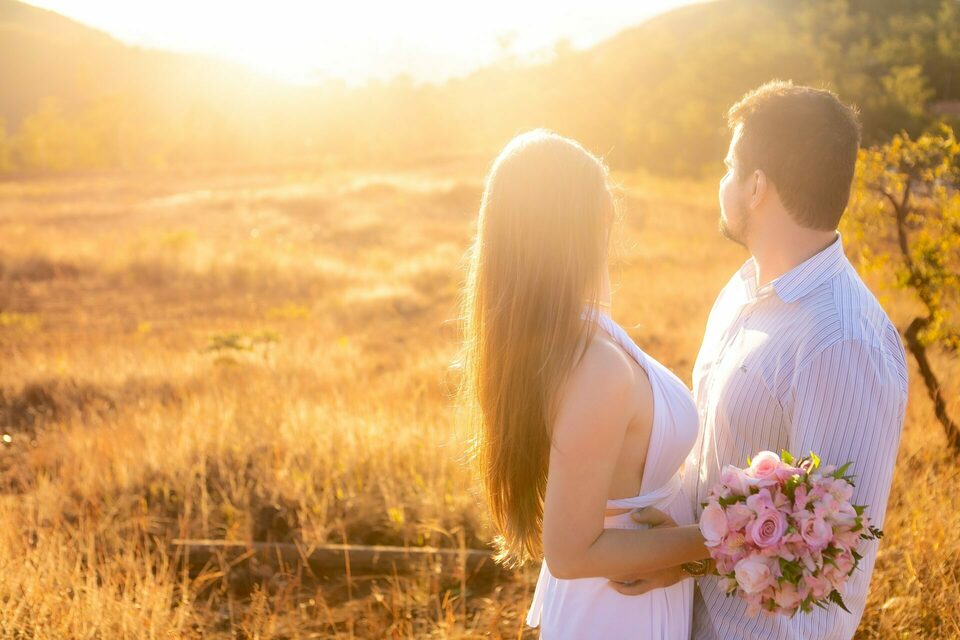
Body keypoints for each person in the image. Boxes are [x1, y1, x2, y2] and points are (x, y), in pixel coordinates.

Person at [612, 80, 909, 639]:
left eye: (729, 167)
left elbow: (829, 559)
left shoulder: (841, 342)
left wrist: (685, 556)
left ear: (755, 187)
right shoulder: (742, 291)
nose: (720, 181)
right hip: (685, 619)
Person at [456, 128, 712, 639]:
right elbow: (572, 552)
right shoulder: (593, 365)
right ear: (591, 221)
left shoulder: (575, 336)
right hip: (617, 611)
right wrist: (719, 541)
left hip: (634, 591)